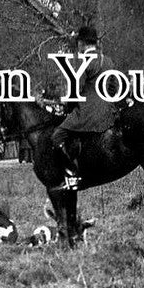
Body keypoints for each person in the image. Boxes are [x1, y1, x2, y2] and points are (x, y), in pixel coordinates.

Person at [50, 26, 118, 190]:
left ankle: (73, 174)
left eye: (78, 43)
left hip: (88, 113)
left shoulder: (82, 62)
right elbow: (115, 87)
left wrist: (67, 108)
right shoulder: (108, 61)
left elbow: (75, 92)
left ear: (82, 44)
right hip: (108, 112)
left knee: (57, 136)